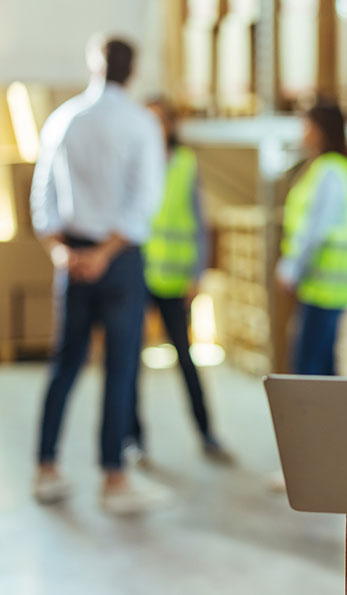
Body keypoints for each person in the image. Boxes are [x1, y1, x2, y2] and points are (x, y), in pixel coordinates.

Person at [30, 35, 171, 512]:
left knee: (64, 364)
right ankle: (114, 479)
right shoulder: (140, 124)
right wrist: (107, 253)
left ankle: (46, 467)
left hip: (73, 257)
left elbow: (42, 194)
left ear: (95, 65)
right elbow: (143, 202)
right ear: (132, 71)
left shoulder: (63, 119)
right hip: (121, 260)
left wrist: (62, 252)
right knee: (121, 368)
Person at [127, 98, 228, 462]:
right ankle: (134, 438)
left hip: (175, 280)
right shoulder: (134, 159)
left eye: (160, 121)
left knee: (185, 358)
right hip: (138, 278)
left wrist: (196, 274)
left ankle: (206, 432)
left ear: (171, 125)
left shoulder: (186, 163)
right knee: (130, 362)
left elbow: (199, 223)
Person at [276, 101, 347, 376]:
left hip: (326, 285)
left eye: (307, 126)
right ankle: (337, 420)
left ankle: (320, 420)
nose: (302, 133)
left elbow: (315, 228)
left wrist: (291, 268)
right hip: (322, 284)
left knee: (308, 368)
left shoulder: (330, 171)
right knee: (323, 365)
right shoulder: (327, 168)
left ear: (321, 130)